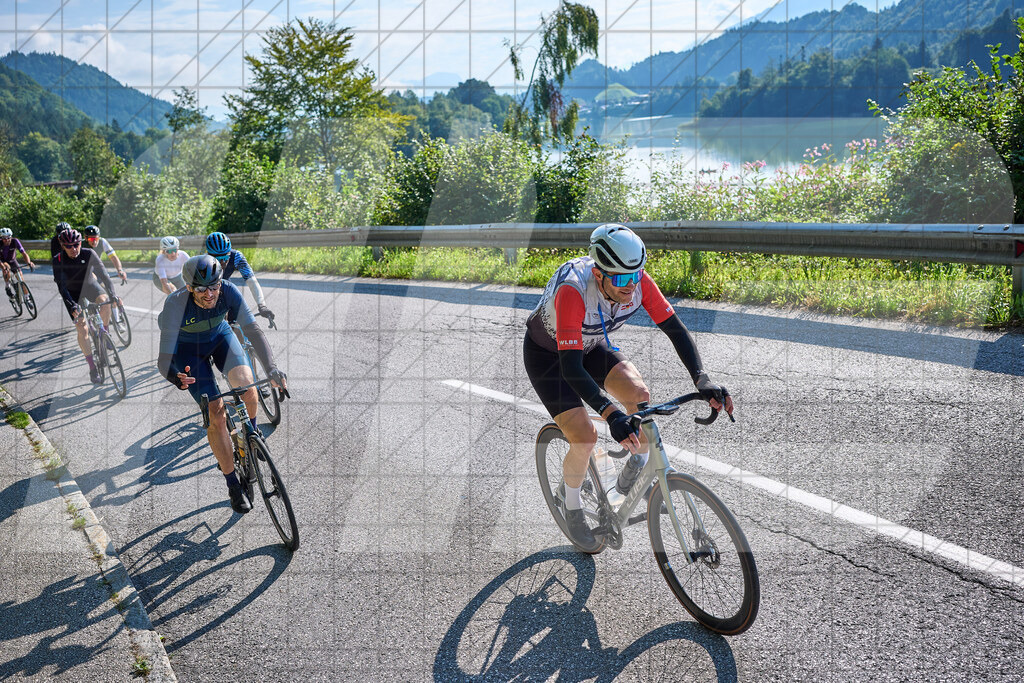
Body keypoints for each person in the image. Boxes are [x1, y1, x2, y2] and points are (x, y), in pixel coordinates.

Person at [523, 224, 733, 552]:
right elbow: (571, 368)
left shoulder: (635, 280)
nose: (630, 287)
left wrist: (702, 379)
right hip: (550, 357)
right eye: (621, 279)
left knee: (639, 397)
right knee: (585, 436)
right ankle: (572, 502)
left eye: (635, 277)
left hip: (590, 346)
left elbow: (676, 330)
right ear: (598, 273)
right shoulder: (574, 290)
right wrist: (610, 414)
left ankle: (636, 468)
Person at [156, 255, 287, 514]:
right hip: (188, 352)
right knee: (216, 414)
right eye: (201, 289)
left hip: (220, 338)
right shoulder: (175, 304)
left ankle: (250, 432)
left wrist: (271, 369)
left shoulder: (228, 291)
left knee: (248, 385)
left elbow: (253, 330)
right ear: (189, 287)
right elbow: (164, 359)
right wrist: (175, 377)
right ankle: (232, 484)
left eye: (214, 286)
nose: (209, 294)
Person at [52, 227, 120, 384]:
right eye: (68, 246)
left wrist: (113, 294)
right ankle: (92, 368)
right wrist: (72, 306)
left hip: (90, 286)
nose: (73, 249)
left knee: (105, 302)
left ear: (80, 243)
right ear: (62, 246)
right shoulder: (58, 260)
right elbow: (62, 287)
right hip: (73, 294)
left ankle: (105, 331)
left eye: (76, 244)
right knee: (82, 328)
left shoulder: (88, 253)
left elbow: (104, 275)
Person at [204, 232, 275, 323]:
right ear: (209, 255)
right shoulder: (203, 262)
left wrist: (262, 305)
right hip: (209, 291)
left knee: (239, 323)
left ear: (230, 252)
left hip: (226, 288)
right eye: (217, 259)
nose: (222, 262)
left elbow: (251, 280)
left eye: (225, 257)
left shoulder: (236, 257)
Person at [1, 227, 36, 303]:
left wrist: (29, 263)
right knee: (6, 270)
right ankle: (7, 286)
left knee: (21, 278)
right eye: (4, 238)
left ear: (11, 236)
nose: (6, 240)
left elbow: (24, 253)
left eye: (8, 238)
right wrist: (3, 267)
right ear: (1, 238)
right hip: (3, 261)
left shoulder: (15, 241)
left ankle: (27, 297)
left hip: (13, 261)